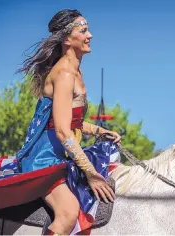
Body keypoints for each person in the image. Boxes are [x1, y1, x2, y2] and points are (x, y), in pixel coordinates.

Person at [16, 9, 120, 235]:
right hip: (43, 159)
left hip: (63, 154)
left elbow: (71, 122)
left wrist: (100, 130)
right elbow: (63, 132)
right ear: (66, 39)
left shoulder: (76, 71)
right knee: (68, 213)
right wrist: (91, 174)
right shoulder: (64, 74)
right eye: (83, 31)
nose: (90, 35)